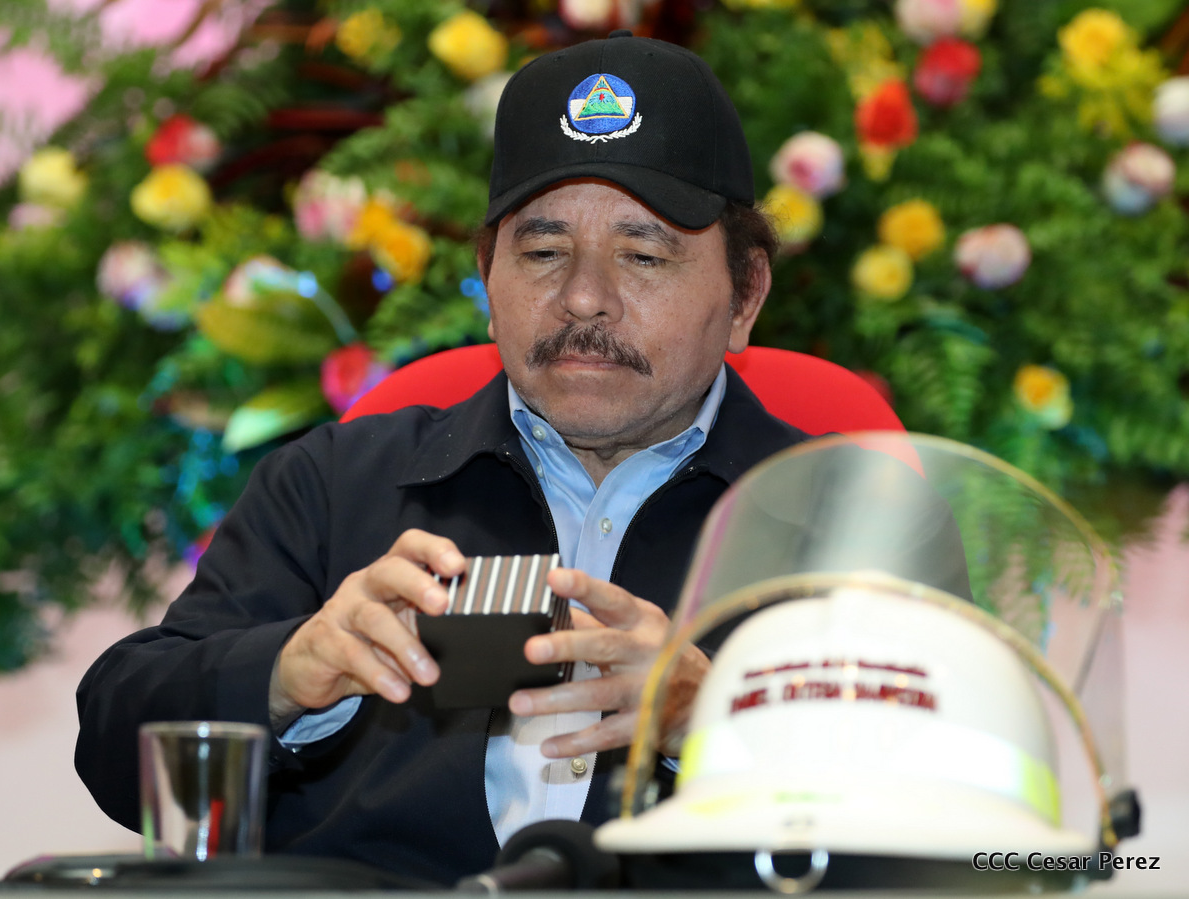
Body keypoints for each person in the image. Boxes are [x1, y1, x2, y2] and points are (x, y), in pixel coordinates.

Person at [75, 30, 808, 885]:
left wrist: (719, 720)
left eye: (643, 255)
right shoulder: (336, 483)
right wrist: (284, 671)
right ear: (488, 281)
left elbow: (939, 815)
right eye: (542, 252)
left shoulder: (839, 517)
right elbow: (115, 740)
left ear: (745, 294)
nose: (583, 297)